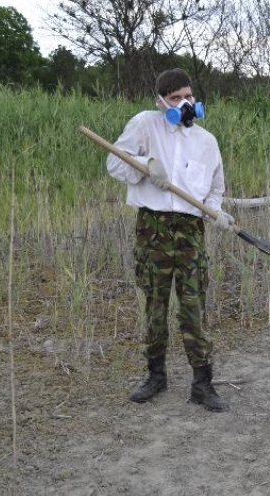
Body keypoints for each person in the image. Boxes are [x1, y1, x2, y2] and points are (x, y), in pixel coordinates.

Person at [107, 68, 234, 412]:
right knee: (155, 305)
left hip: (191, 231)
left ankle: (202, 384)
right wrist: (145, 165)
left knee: (193, 306)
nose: (184, 103)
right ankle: (155, 376)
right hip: (154, 227)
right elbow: (114, 164)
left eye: (188, 96)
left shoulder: (206, 140)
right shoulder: (145, 124)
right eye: (176, 98)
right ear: (161, 101)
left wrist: (215, 212)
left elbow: (215, 187)